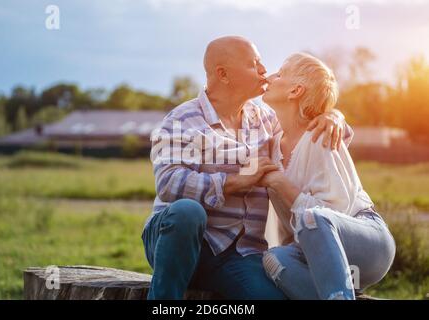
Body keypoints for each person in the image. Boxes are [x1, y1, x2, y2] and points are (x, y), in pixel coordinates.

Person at [142, 36, 348, 299]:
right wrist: (236, 182)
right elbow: (169, 184)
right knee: (187, 212)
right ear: (223, 74)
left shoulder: (265, 119)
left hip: (240, 254)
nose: (264, 70)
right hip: (176, 242)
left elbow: (307, 131)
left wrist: (332, 115)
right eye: (254, 64)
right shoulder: (182, 120)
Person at [260, 52, 396, 300]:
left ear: (295, 91)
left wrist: (280, 183)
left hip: (366, 241)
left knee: (312, 219)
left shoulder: (320, 137)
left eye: (280, 74)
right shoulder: (271, 143)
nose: (269, 77)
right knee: (274, 260)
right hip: (313, 251)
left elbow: (334, 217)